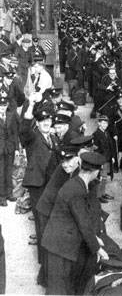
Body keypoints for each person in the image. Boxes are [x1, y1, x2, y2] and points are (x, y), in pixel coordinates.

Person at [41, 152, 109, 295]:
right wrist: (98, 249)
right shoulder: (77, 190)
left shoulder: (77, 184)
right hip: (60, 246)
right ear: (95, 171)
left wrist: (95, 239)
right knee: (58, 290)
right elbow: (83, 223)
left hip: (61, 242)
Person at [20, 94, 58, 249]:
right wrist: (30, 105)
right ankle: (44, 258)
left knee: (49, 219)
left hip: (51, 183)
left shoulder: (53, 139)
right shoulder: (33, 137)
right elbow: (24, 129)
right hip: (37, 184)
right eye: (43, 121)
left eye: (49, 121)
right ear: (37, 123)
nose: (46, 123)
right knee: (41, 219)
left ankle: (48, 253)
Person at [0, 97, 19, 206]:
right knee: (1, 173)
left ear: (7, 105)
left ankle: (9, 193)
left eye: (4, 105)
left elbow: (14, 133)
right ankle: (1, 197)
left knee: (9, 171)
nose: (2, 108)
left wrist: (16, 148)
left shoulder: (11, 116)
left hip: (10, 148)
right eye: (0, 106)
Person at [93, 115, 116, 203]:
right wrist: (100, 161)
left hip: (107, 159)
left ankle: (103, 193)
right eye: (103, 123)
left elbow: (111, 146)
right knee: (101, 177)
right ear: (99, 124)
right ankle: (99, 195)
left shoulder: (106, 133)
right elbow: (96, 150)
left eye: (106, 123)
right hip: (102, 160)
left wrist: (113, 156)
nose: (105, 125)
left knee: (105, 177)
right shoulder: (96, 134)